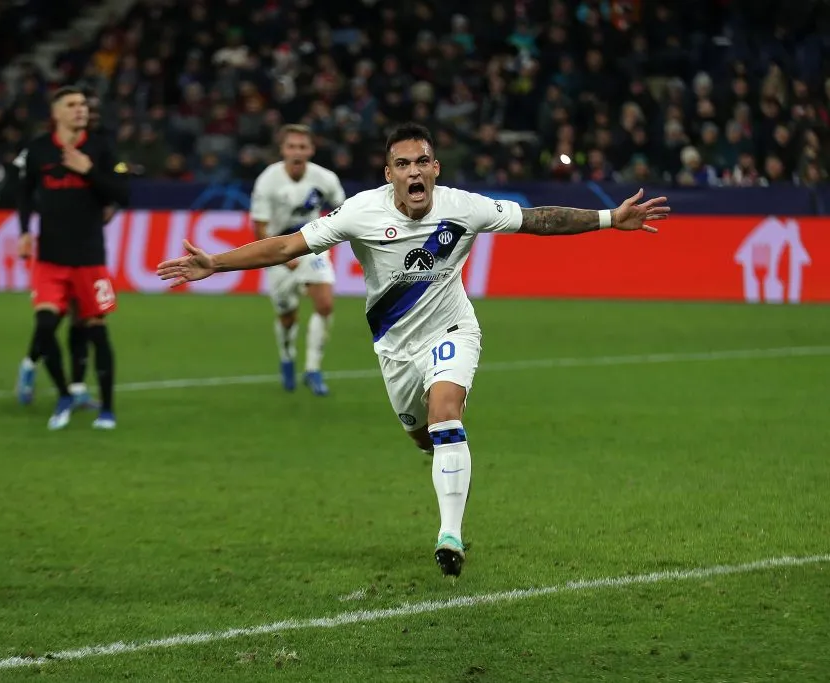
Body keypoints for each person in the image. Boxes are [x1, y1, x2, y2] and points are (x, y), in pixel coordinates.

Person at [158, 123, 670, 576]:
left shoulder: (462, 206)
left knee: (447, 416)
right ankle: (442, 461)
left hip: (453, 330)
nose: (414, 171)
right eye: (402, 164)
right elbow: (288, 244)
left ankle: (449, 535)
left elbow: (538, 219)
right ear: (389, 174)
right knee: (426, 438)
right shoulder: (360, 213)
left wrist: (609, 218)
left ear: (435, 167)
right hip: (395, 349)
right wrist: (217, 263)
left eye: (422, 161)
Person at [16, 86, 130, 430]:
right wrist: (23, 231)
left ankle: (107, 409)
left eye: (83, 104)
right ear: (57, 114)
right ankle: (65, 393)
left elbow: (122, 193)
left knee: (97, 332)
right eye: (72, 104)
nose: (80, 109)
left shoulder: (100, 149)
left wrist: (89, 170)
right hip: (50, 258)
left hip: (90, 258)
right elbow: (22, 192)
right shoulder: (37, 151)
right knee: (46, 326)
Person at [249, 124, 345, 395]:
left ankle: (313, 369)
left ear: (311, 150)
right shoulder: (268, 180)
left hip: (311, 244)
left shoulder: (325, 178)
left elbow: (342, 209)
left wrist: (327, 235)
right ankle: (287, 356)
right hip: (278, 250)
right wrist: (281, 256)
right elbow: (259, 227)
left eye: (303, 147)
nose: (297, 152)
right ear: (283, 150)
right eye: (292, 146)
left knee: (325, 304)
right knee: (287, 315)